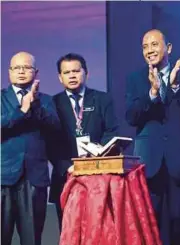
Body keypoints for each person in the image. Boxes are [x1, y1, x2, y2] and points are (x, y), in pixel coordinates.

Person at [125, 29, 180, 245]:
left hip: (178, 161)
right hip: (149, 163)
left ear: (168, 48)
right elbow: (131, 117)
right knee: (150, 226)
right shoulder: (135, 79)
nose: (149, 50)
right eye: (145, 46)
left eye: (154, 45)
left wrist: (176, 87)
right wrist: (151, 93)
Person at [49, 53, 119, 230]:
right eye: (67, 72)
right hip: (66, 178)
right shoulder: (52, 103)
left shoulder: (103, 99)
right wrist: (68, 167)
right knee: (68, 232)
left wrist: (98, 158)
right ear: (60, 77)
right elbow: (50, 142)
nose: (72, 76)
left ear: (86, 73)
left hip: (99, 177)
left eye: (76, 71)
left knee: (98, 230)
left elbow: (111, 131)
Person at [1, 52, 61, 245]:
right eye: (16, 68)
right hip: (3, 178)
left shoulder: (45, 101)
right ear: (9, 72)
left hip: (34, 179)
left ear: (35, 72)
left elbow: (55, 127)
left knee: (32, 239)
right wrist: (22, 110)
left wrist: (34, 104)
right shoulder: (1, 99)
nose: (21, 71)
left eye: (26, 68)